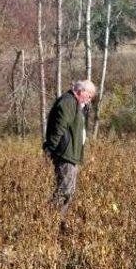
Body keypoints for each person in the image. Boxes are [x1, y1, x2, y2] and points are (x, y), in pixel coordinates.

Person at [43, 80, 96, 231]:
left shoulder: (75, 104)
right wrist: (50, 149)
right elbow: (58, 128)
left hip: (70, 155)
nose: (89, 99)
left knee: (68, 191)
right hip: (64, 154)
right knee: (64, 190)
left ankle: (59, 223)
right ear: (80, 92)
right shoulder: (68, 102)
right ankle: (48, 221)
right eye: (89, 95)